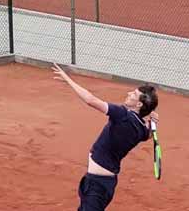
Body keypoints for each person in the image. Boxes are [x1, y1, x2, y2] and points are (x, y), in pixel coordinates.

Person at [53, 64, 159, 211]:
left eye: (133, 94)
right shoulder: (141, 129)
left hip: (97, 186)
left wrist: (68, 79)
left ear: (139, 104)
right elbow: (148, 134)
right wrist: (153, 123)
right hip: (102, 183)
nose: (128, 93)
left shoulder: (123, 115)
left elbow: (91, 100)